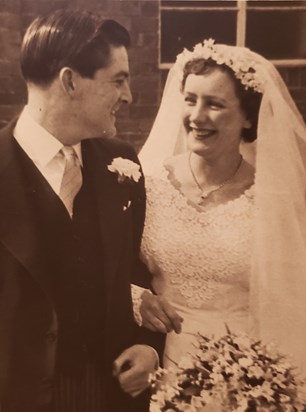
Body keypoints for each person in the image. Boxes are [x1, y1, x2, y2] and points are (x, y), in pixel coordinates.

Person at [0, 9, 164, 412]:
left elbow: (137, 273)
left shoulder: (122, 164)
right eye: (118, 80)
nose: (128, 96)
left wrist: (147, 346)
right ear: (70, 81)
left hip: (106, 393)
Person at [132, 39, 306, 374]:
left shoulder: (273, 197)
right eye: (190, 100)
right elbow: (114, 270)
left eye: (214, 104)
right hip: (157, 364)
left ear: (246, 117)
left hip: (245, 371)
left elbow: (289, 303)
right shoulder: (149, 182)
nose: (197, 117)